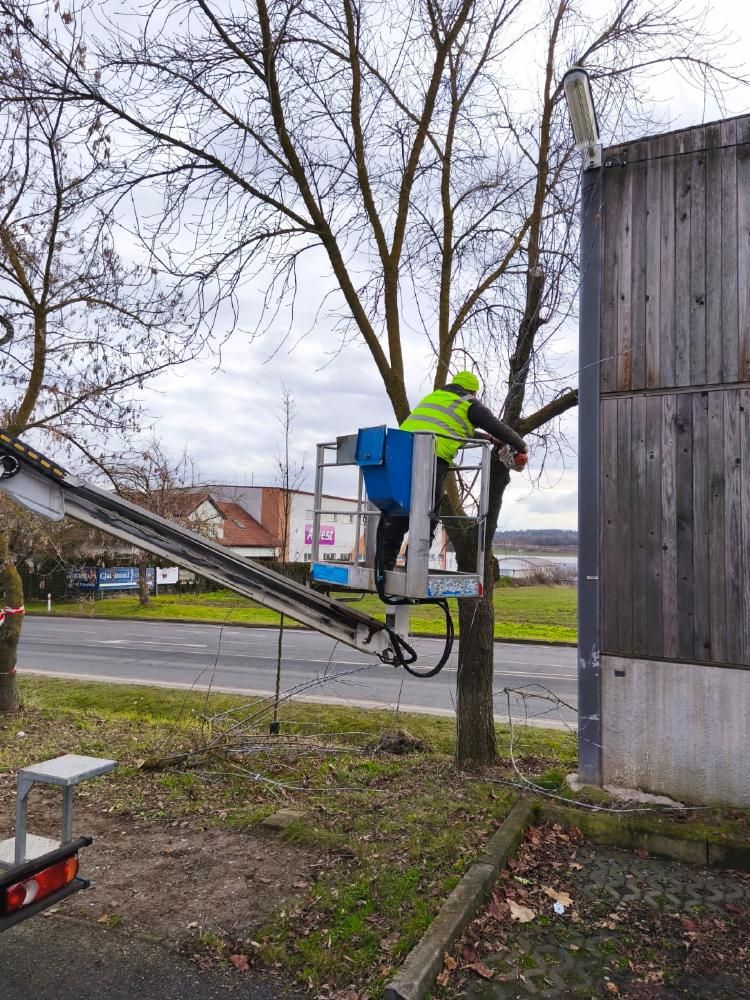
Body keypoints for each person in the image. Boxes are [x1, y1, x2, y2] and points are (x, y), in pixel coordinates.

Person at [380, 371, 527, 571]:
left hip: (399, 453)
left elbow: (452, 427)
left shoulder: (436, 398)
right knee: (428, 513)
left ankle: (383, 566)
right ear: (472, 391)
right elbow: (497, 426)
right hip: (430, 457)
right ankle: (414, 568)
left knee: (398, 508)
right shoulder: (469, 404)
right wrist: (521, 445)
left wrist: (489, 439)